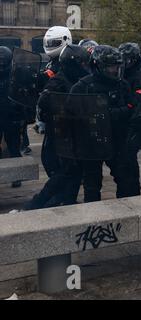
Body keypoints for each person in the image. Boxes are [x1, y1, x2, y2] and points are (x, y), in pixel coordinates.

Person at [70, 45, 141, 202]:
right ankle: (93, 219)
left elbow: (133, 108)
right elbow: (72, 114)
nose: (114, 70)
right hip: (91, 143)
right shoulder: (82, 86)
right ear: (98, 66)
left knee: (125, 181)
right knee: (92, 185)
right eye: (110, 67)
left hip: (117, 140)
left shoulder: (122, 85)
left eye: (117, 66)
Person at [24, 44, 91, 210]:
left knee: (75, 173)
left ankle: (68, 203)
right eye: (82, 63)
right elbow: (44, 105)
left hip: (75, 136)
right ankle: (36, 204)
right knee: (63, 174)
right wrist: (63, 114)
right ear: (73, 63)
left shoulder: (77, 80)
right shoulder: (58, 82)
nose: (85, 67)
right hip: (59, 138)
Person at [119, 42, 141, 188]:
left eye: (128, 59)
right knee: (124, 157)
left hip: (138, 122)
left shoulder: (140, 77)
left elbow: (138, 101)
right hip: (125, 121)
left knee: (130, 156)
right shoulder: (120, 75)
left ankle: (133, 187)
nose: (126, 63)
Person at [0, 46, 24, 188]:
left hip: (11, 116)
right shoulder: (16, 74)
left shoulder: (17, 74)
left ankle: (17, 176)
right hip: (11, 116)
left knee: (14, 147)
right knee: (14, 147)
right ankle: (17, 177)